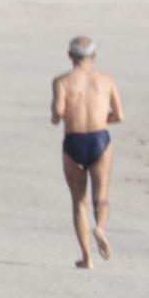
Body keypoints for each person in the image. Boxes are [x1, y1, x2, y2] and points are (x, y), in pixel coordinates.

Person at [52, 36, 124, 269]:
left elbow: (57, 114)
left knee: (79, 201)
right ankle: (100, 228)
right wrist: (101, 119)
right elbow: (119, 116)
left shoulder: (62, 81)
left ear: (70, 56)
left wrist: (59, 115)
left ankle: (87, 257)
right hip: (99, 139)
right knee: (101, 198)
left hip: (74, 140)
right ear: (93, 56)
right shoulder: (106, 80)